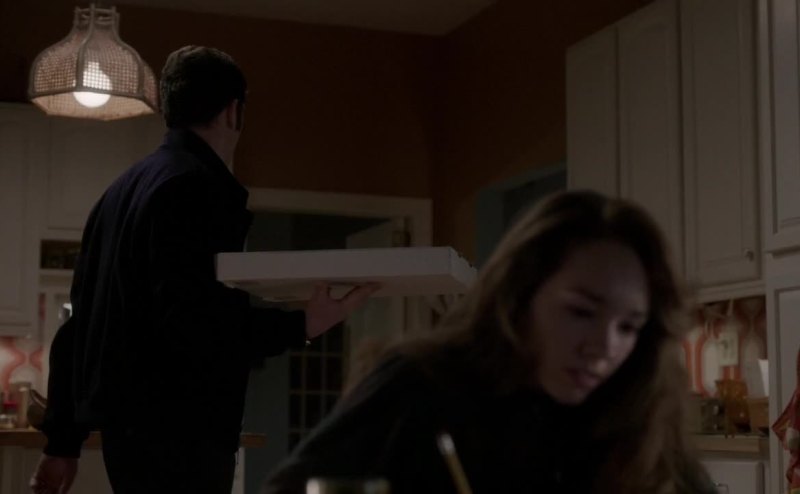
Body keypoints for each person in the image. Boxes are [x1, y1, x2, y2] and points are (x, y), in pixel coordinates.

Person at [29, 46, 377, 494]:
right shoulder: (197, 187)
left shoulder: (116, 194)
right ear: (233, 111)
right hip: (182, 431)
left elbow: (79, 328)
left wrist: (62, 442)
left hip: (127, 436)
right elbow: (197, 321)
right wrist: (303, 324)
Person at [263, 190, 717, 494]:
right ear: (520, 295)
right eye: (581, 312)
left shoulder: (640, 412)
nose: (602, 348)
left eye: (628, 327)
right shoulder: (423, 384)